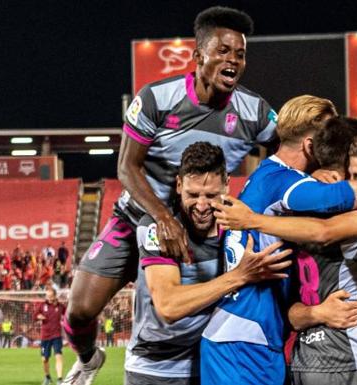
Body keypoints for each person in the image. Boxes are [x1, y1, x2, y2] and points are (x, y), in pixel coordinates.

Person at [61, 6, 279, 385]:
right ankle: (89, 357)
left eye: (240, 54)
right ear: (198, 56)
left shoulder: (255, 112)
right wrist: (162, 217)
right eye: (223, 51)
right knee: (79, 310)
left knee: (196, 315)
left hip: (202, 229)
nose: (233, 61)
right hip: (138, 219)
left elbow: (288, 153)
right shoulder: (157, 99)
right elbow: (127, 168)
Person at [200, 97, 357, 385]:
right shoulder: (285, 182)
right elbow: (330, 203)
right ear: (311, 146)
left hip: (248, 331)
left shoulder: (270, 176)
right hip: (247, 336)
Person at [125, 142, 291, 385]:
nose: (202, 206)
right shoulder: (159, 227)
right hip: (155, 369)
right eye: (193, 195)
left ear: (226, 185)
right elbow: (169, 306)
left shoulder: (240, 227)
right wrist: (239, 276)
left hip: (210, 364)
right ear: (179, 185)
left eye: (211, 196)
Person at [36, 287, 66, 385]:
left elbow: (67, 315)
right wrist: (38, 316)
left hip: (57, 336)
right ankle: (47, 377)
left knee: (58, 356)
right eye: (47, 296)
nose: (48, 298)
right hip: (45, 337)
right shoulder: (42, 305)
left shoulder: (61, 306)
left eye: (50, 296)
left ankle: (60, 379)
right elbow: (35, 315)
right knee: (44, 359)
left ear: (54, 296)